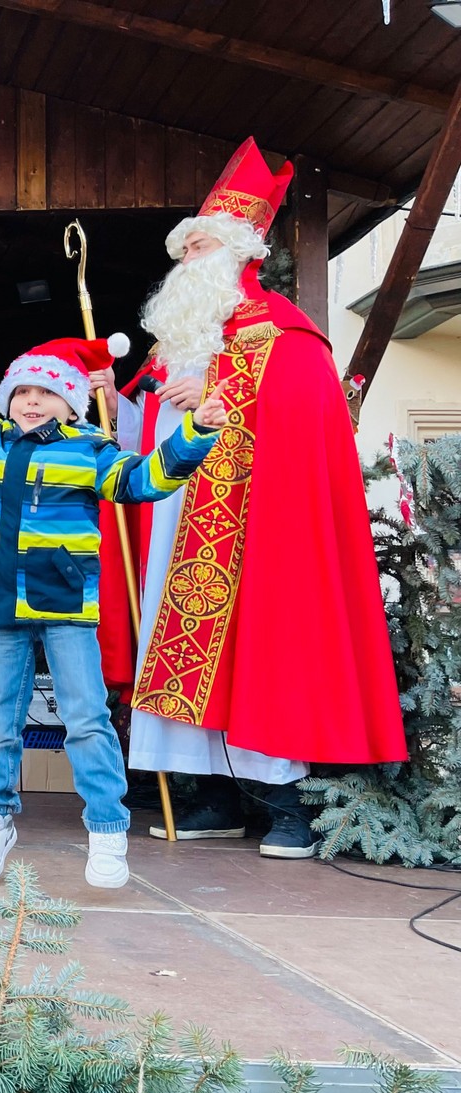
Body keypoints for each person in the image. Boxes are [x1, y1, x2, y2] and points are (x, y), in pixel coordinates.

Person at [95, 137, 406, 858]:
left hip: (256, 535)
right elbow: (148, 436)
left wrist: (222, 396)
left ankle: (284, 806)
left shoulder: (285, 338)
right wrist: (120, 409)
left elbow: (303, 429)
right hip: (176, 531)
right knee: (180, 654)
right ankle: (215, 797)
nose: (187, 262)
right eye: (184, 251)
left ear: (240, 253)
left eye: (200, 248)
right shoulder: (174, 343)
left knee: (264, 656)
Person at [0, 313, 228, 888]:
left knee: (86, 719)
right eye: (23, 391)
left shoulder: (90, 449)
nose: (32, 401)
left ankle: (106, 830)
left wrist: (194, 433)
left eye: (47, 392)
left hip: (65, 606)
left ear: (72, 403)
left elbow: (145, 479)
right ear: (7, 399)